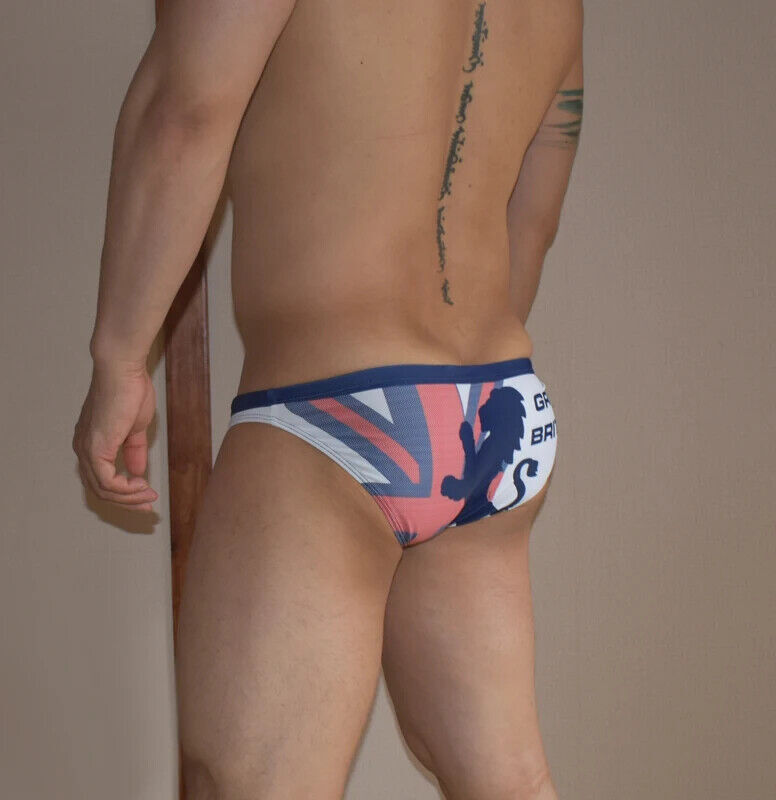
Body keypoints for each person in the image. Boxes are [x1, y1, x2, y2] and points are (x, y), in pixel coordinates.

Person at [73, 0, 583, 796]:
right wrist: (446, 382)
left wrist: (120, 358)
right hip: (496, 404)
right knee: (510, 782)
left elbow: (186, 113)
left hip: (332, 408)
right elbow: (534, 217)